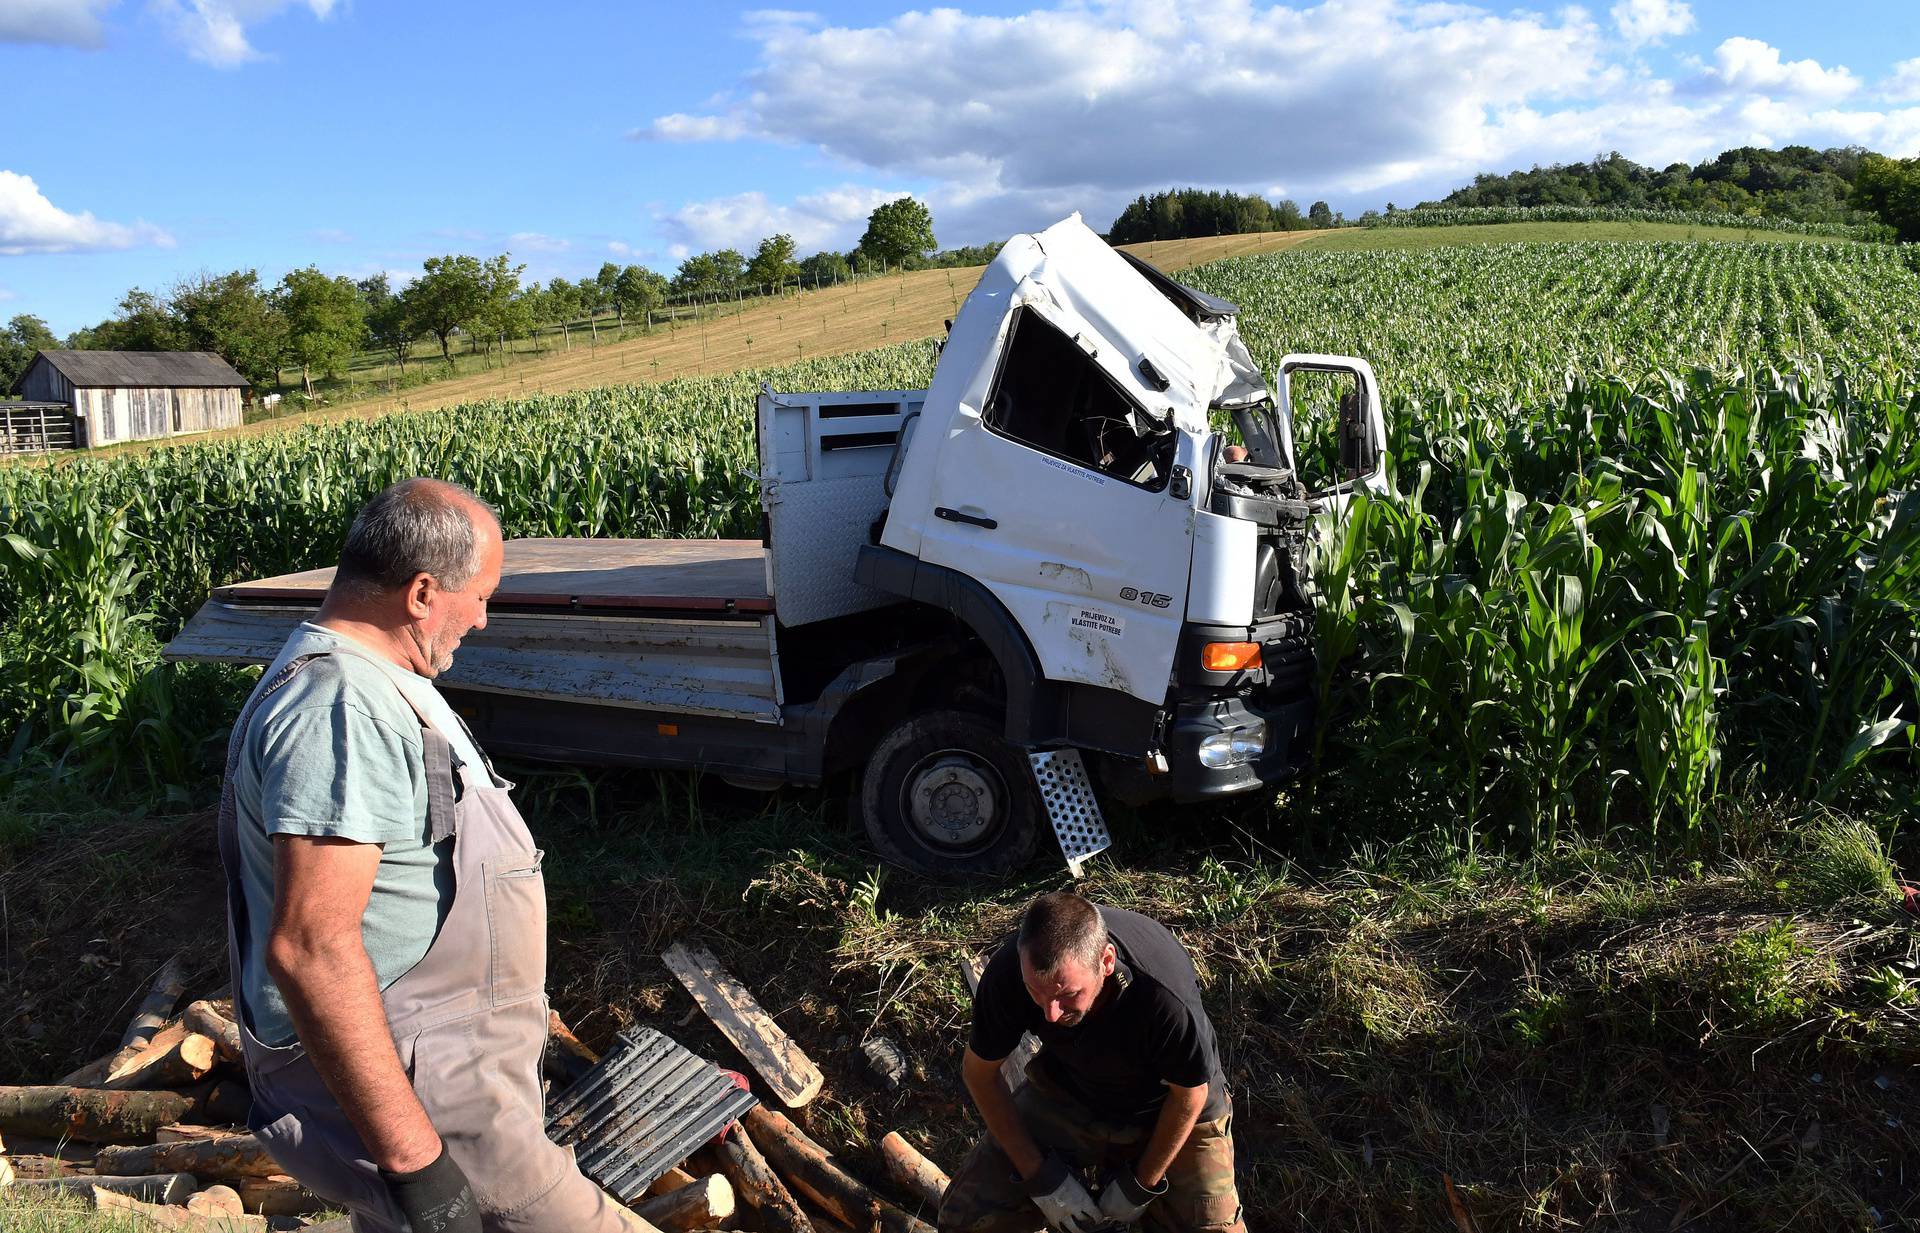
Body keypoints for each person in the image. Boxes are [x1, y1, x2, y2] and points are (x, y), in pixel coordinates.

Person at [217, 478, 640, 1233]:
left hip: (451, 1077)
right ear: (420, 592)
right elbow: (312, 946)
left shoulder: (378, 680)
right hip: (433, 1098)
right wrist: (418, 1162)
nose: (482, 617)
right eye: (478, 595)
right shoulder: (340, 707)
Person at [941, 892, 1245, 1233]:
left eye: (1066, 995)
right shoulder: (1009, 974)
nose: (1050, 1014)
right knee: (967, 1220)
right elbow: (979, 1074)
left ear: (1107, 961)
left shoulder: (1161, 994)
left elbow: (1189, 1095)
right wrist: (1041, 1178)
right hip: (1073, 1091)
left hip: (1170, 1108)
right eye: (1035, 993)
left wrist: (1140, 1184)